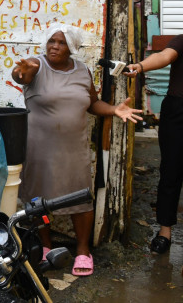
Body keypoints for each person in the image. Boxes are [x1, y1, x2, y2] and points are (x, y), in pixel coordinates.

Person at [11, 22, 141, 277]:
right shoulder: (35, 66)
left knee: (80, 198)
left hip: (74, 148)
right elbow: (20, 76)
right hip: (38, 148)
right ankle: (45, 246)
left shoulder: (82, 71)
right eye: (51, 41)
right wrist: (20, 73)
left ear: (71, 48)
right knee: (38, 198)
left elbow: (92, 103)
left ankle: (83, 250)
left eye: (61, 43)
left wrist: (114, 109)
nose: (55, 47)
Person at [124, 35, 183, 254]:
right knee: (171, 171)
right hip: (178, 112)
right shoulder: (182, 40)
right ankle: (165, 230)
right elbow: (165, 56)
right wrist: (139, 66)